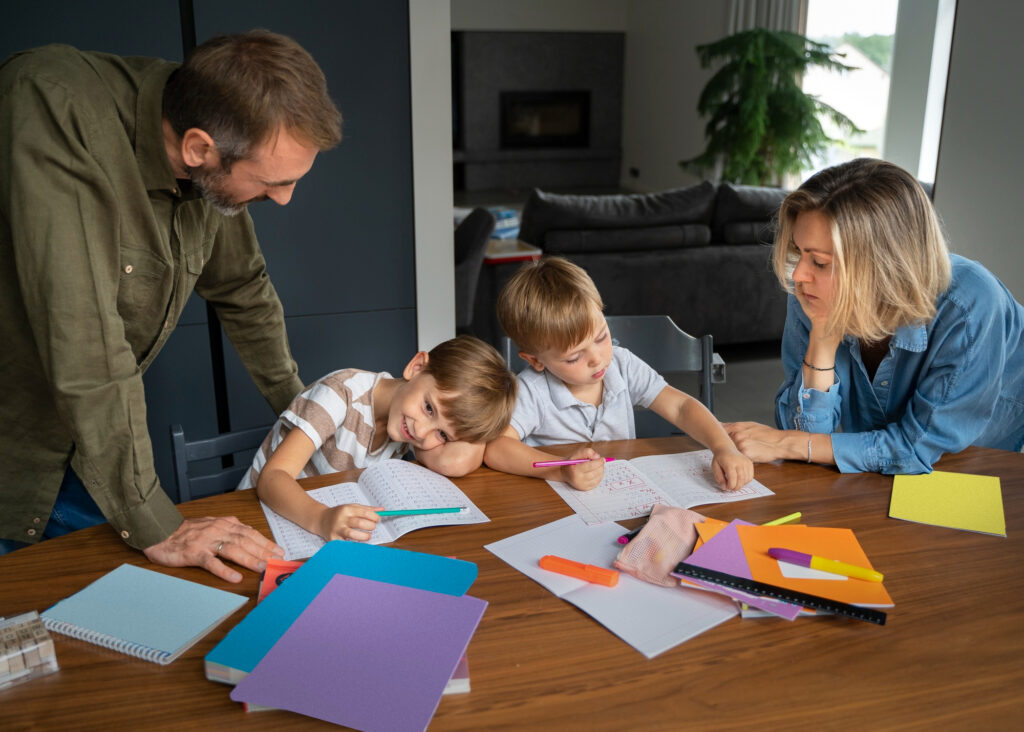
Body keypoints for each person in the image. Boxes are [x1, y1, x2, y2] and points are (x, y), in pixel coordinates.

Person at [0, 30, 343, 581]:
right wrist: (159, 525)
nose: (285, 199)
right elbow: (84, 338)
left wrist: (311, 421)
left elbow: (244, 291)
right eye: (274, 182)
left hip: (97, 445)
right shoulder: (53, 100)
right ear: (198, 149)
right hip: (17, 448)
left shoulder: (213, 130)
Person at [725, 158, 1024, 473]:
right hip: (885, 469)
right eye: (800, 253)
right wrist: (822, 340)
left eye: (821, 262)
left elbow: (915, 448)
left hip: (981, 460)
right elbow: (806, 436)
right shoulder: (812, 294)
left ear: (880, 267)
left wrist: (785, 443)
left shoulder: (969, 307)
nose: (798, 274)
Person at [484, 256, 753, 492]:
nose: (597, 359)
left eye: (602, 337)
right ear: (536, 360)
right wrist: (558, 470)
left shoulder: (622, 365)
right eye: (574, 357)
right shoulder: (532, 390)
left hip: (621, 491)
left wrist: (723, 447)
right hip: (553, 501)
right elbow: (496, 447)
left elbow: (681, 407)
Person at [245, 335, 517, 542]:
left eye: (443, 434)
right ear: (417, 367)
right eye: (429, 408)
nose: (422, 433)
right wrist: (321, 519)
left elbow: (455, 462)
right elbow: (272, 478)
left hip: (320, 529)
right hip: (261, 518)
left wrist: (476, 426)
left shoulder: (407, 422)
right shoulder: (341, 394)